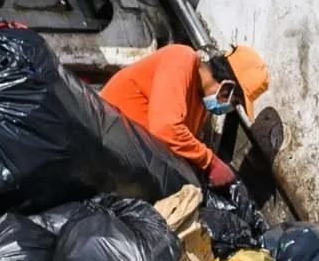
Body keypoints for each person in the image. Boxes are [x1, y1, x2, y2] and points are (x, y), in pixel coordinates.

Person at [100, 43, 269, 188]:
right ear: (227, 88)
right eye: (236, 101)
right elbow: (165, 129)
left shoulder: (201, 107)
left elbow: (177, 147)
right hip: (103, 135)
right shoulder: (181, 59)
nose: (232, 107)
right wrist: (210, 162)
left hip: (128, 157)